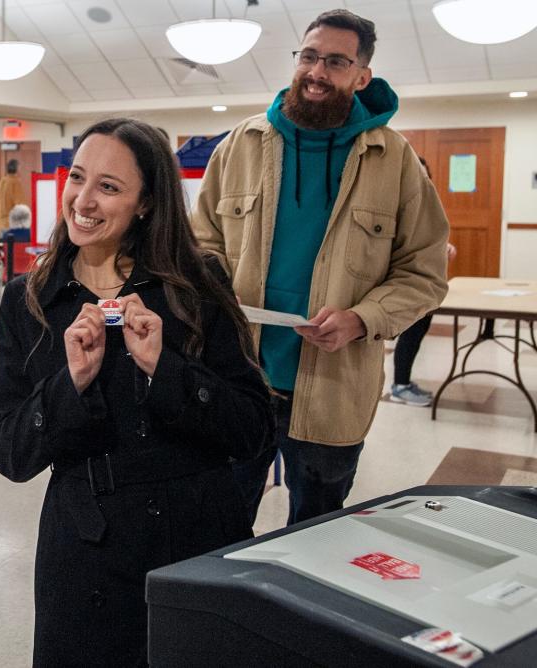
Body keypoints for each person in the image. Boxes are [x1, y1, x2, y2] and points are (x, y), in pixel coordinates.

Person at [0, 118, 273, 667]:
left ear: (146, 203)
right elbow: (9, 453)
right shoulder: (30, 299)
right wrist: (69, 385)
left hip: (197, 537)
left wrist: (165, 370)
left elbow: (253, 429)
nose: (83, 200)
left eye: (109, 187)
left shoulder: (195, 281)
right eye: (77, 177)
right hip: (85, 549)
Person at [192, 9, 450, 527]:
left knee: (316, 529)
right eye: (308, 56)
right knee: (218, 521)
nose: (316, 71)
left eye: (336, 61)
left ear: (361, 77)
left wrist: (362, 318)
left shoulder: (394, 160)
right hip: (238, 380)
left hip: (333, 392)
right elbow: (202, 245)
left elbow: (424, 272)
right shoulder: (238, 146)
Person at [391, 157, 458, 406]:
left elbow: (422, 239)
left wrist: (442, 248)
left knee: (417, 330)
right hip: (402, 284)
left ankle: (402, 382)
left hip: (422, 284)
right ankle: (400, 385)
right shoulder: (393, 198)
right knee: (410, 331)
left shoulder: (422, 199)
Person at [0, 158, 27, 237]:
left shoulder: (1, 182)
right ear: (17, 169)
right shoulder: (15, 182)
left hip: (0, 222)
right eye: (20, 168)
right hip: (11, 224)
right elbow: (20, 205)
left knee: (5, 247)